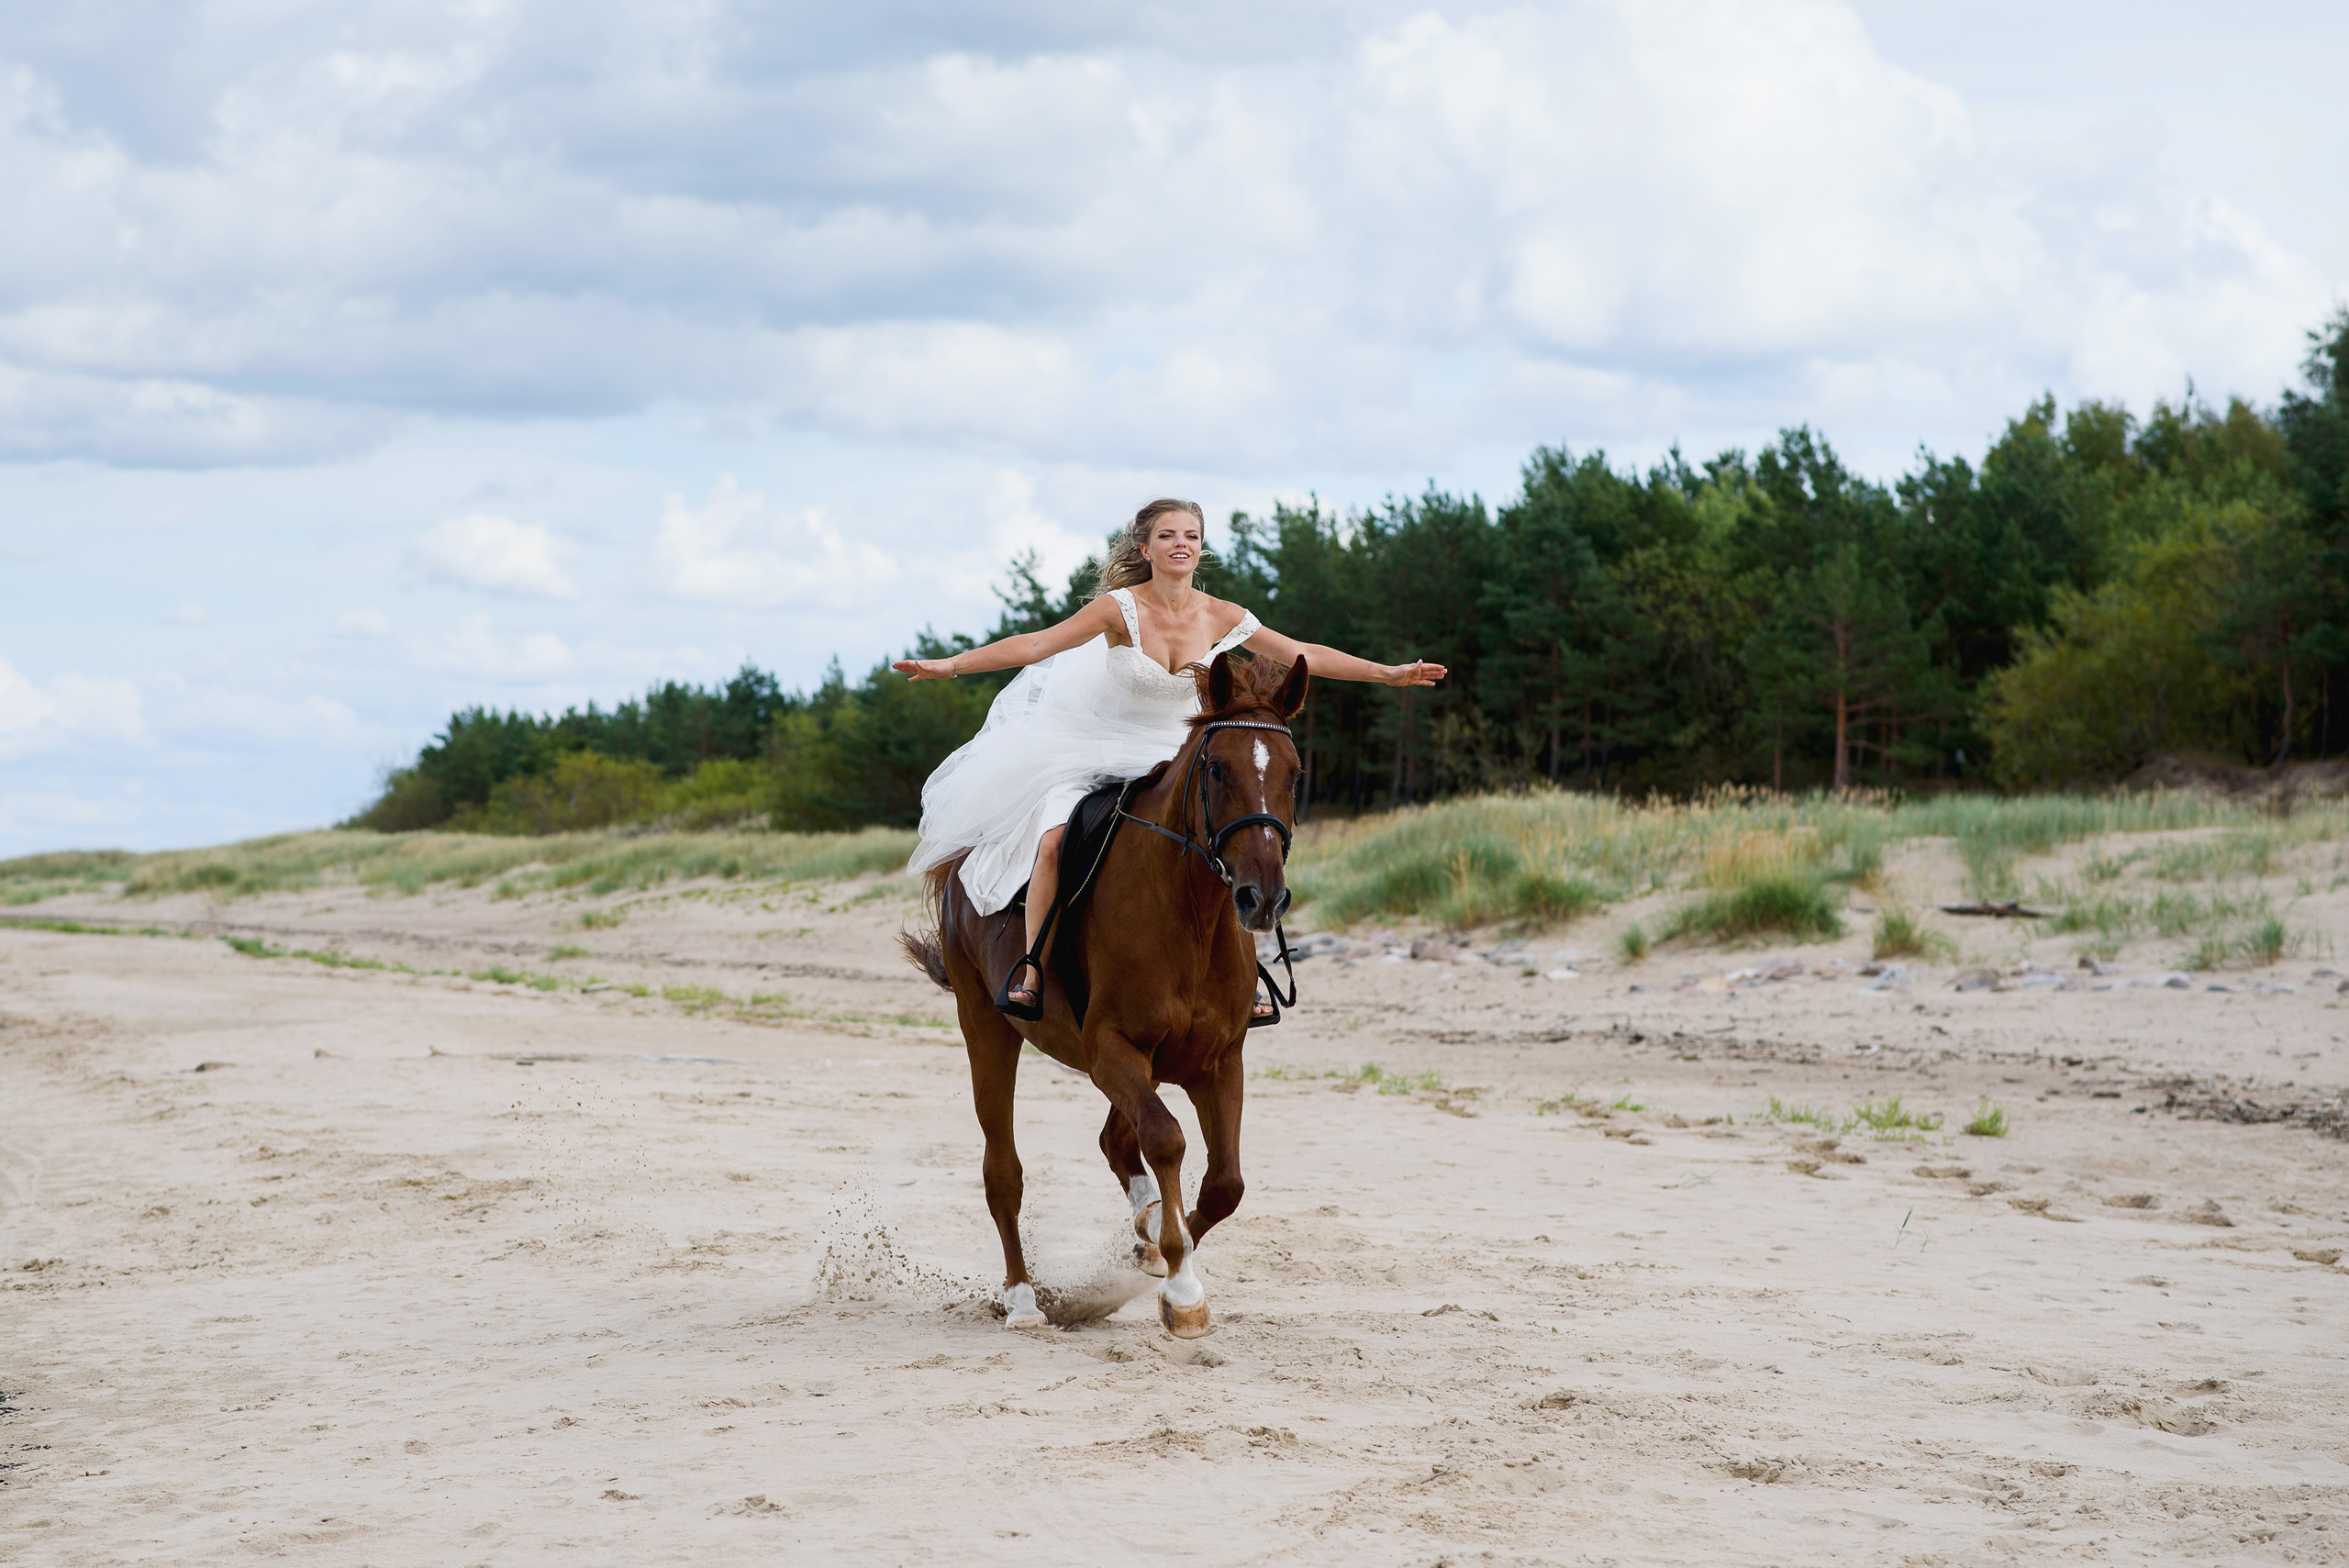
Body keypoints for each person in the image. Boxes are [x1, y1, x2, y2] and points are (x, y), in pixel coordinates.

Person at [894, 498, 1447, 1017]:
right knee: (1053, 842)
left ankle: (1246, 970)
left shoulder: (1224, 615)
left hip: (1177, 751)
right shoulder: (1120, 609)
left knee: (1231, 838)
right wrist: (951, 665)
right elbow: (1037, 645)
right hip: (1096, 745)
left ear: (1201, 549)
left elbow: (1304, 654)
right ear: (1146, 549)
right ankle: (1032, 966)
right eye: (1168, 535)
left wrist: (1387, 673)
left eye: (1191, 535)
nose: (1181, 543)